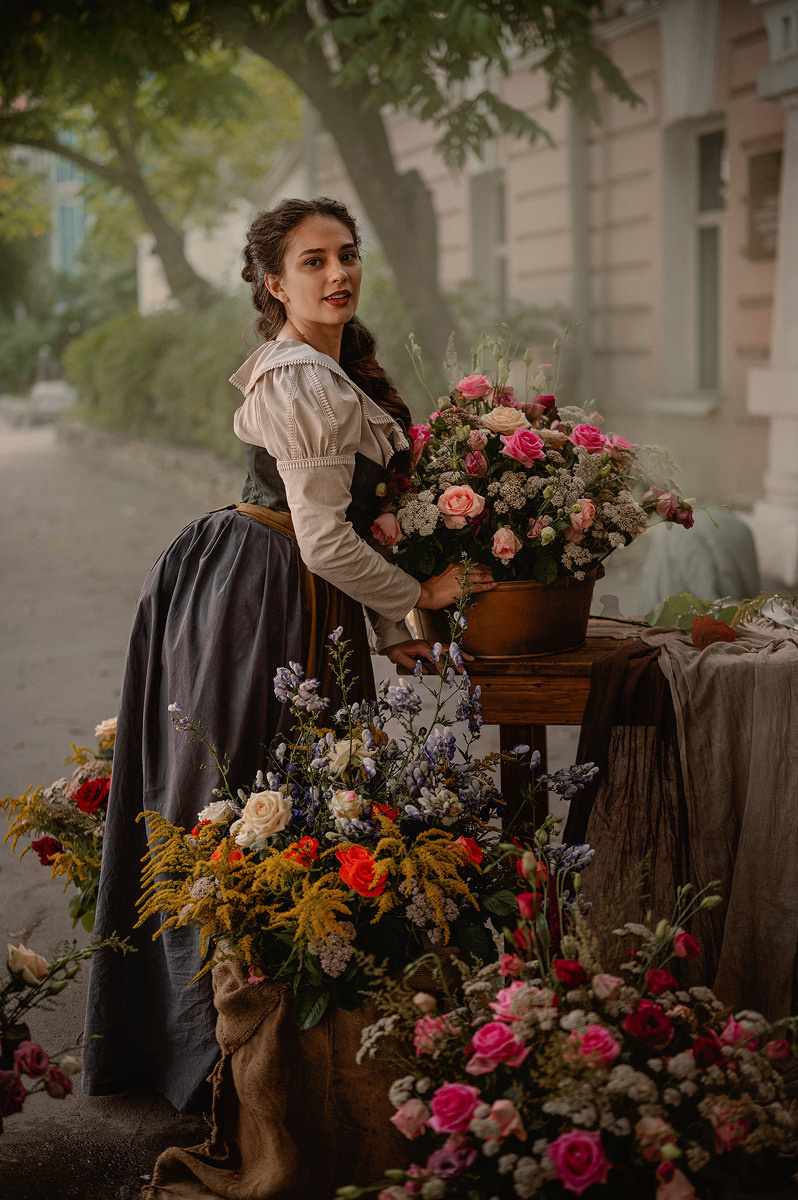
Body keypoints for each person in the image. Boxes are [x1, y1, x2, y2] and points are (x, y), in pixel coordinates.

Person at [82, 196, 495, 1113]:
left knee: (303, 794)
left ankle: (292, 1039)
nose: (338, 273)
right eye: (313, 262)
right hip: (257, 593)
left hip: (292, 588)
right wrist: (420, 598)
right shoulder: (298, 380)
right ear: (275, 283)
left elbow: (353, 527)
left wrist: (399, 632)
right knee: (237, 796)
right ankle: (212, 1048)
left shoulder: (334, 371)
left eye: (347, 255)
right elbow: (324, 541)